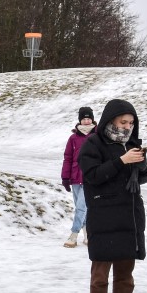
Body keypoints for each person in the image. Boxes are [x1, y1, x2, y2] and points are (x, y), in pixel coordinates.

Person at [78, 98, 147, 293]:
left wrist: (142, 165)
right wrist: (121, 161)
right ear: (110, 120)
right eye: (123, 122)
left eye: (131, 123)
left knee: (125, 275)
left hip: (129, 216)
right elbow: (92, 175)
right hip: (103, 215)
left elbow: (144, 178)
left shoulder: (132, 143)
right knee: (100, 275)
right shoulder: (93, 143)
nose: (128, 127)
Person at [61, 106, 96, 247]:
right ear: (80, 120)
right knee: (82, 208)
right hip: (75, 177)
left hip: (90, 178)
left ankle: (73, 235)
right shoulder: (73, 138)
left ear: (92, 119)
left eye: (89, 118)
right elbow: (68, 158)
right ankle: (87, 236)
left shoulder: (97, 136)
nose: (87, 121)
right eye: (84, 119)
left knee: (81, 207)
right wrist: (65, 178)